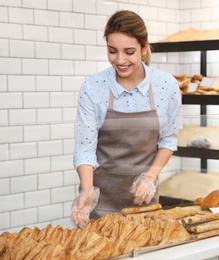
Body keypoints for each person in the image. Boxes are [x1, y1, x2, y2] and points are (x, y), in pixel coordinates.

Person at [71, 10, 182, 227]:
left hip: (145, 203)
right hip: (98, 204)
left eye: (129, 52)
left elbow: (168, 140)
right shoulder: (92, 88)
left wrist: (150, 177)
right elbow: (84, 149)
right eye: (112, 51)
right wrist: (86, 191)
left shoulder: (166, 85)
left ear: (144, 49)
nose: (120, 60)